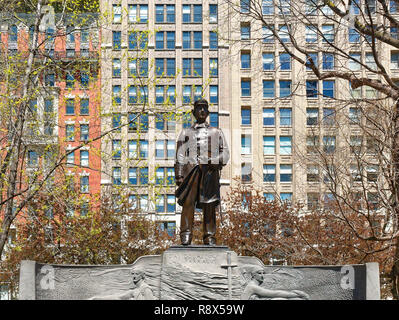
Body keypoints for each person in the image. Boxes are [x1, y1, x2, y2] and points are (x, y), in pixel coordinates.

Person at [175, 99, 229, 245]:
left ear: (208, 112)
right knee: (188, 203)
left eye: (204, 108)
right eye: (199, 108)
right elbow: (180, 154)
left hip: (209, 173)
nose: (202, 111)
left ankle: (209, 236)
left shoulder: (216, 132)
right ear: (193, 112)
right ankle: (185, 234)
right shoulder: (185, 132)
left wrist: (213, 161)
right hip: (190, 172)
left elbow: (225, 154)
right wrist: (179, 175)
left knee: (209, 204)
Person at [241, 265, 310, 300]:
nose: (262, 275)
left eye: (263, 273)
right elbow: (275, 293)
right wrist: (298, 295)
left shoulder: (254, 286)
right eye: (259, 273)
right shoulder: (252, 286)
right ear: (253, 275)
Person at [89, 268, 155, 300]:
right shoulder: (135, 291)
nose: (134, 276)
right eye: (132, 274)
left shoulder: (145, 289)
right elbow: (119, 297)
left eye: (137, 274)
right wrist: (97, 298)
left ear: (142, 276)